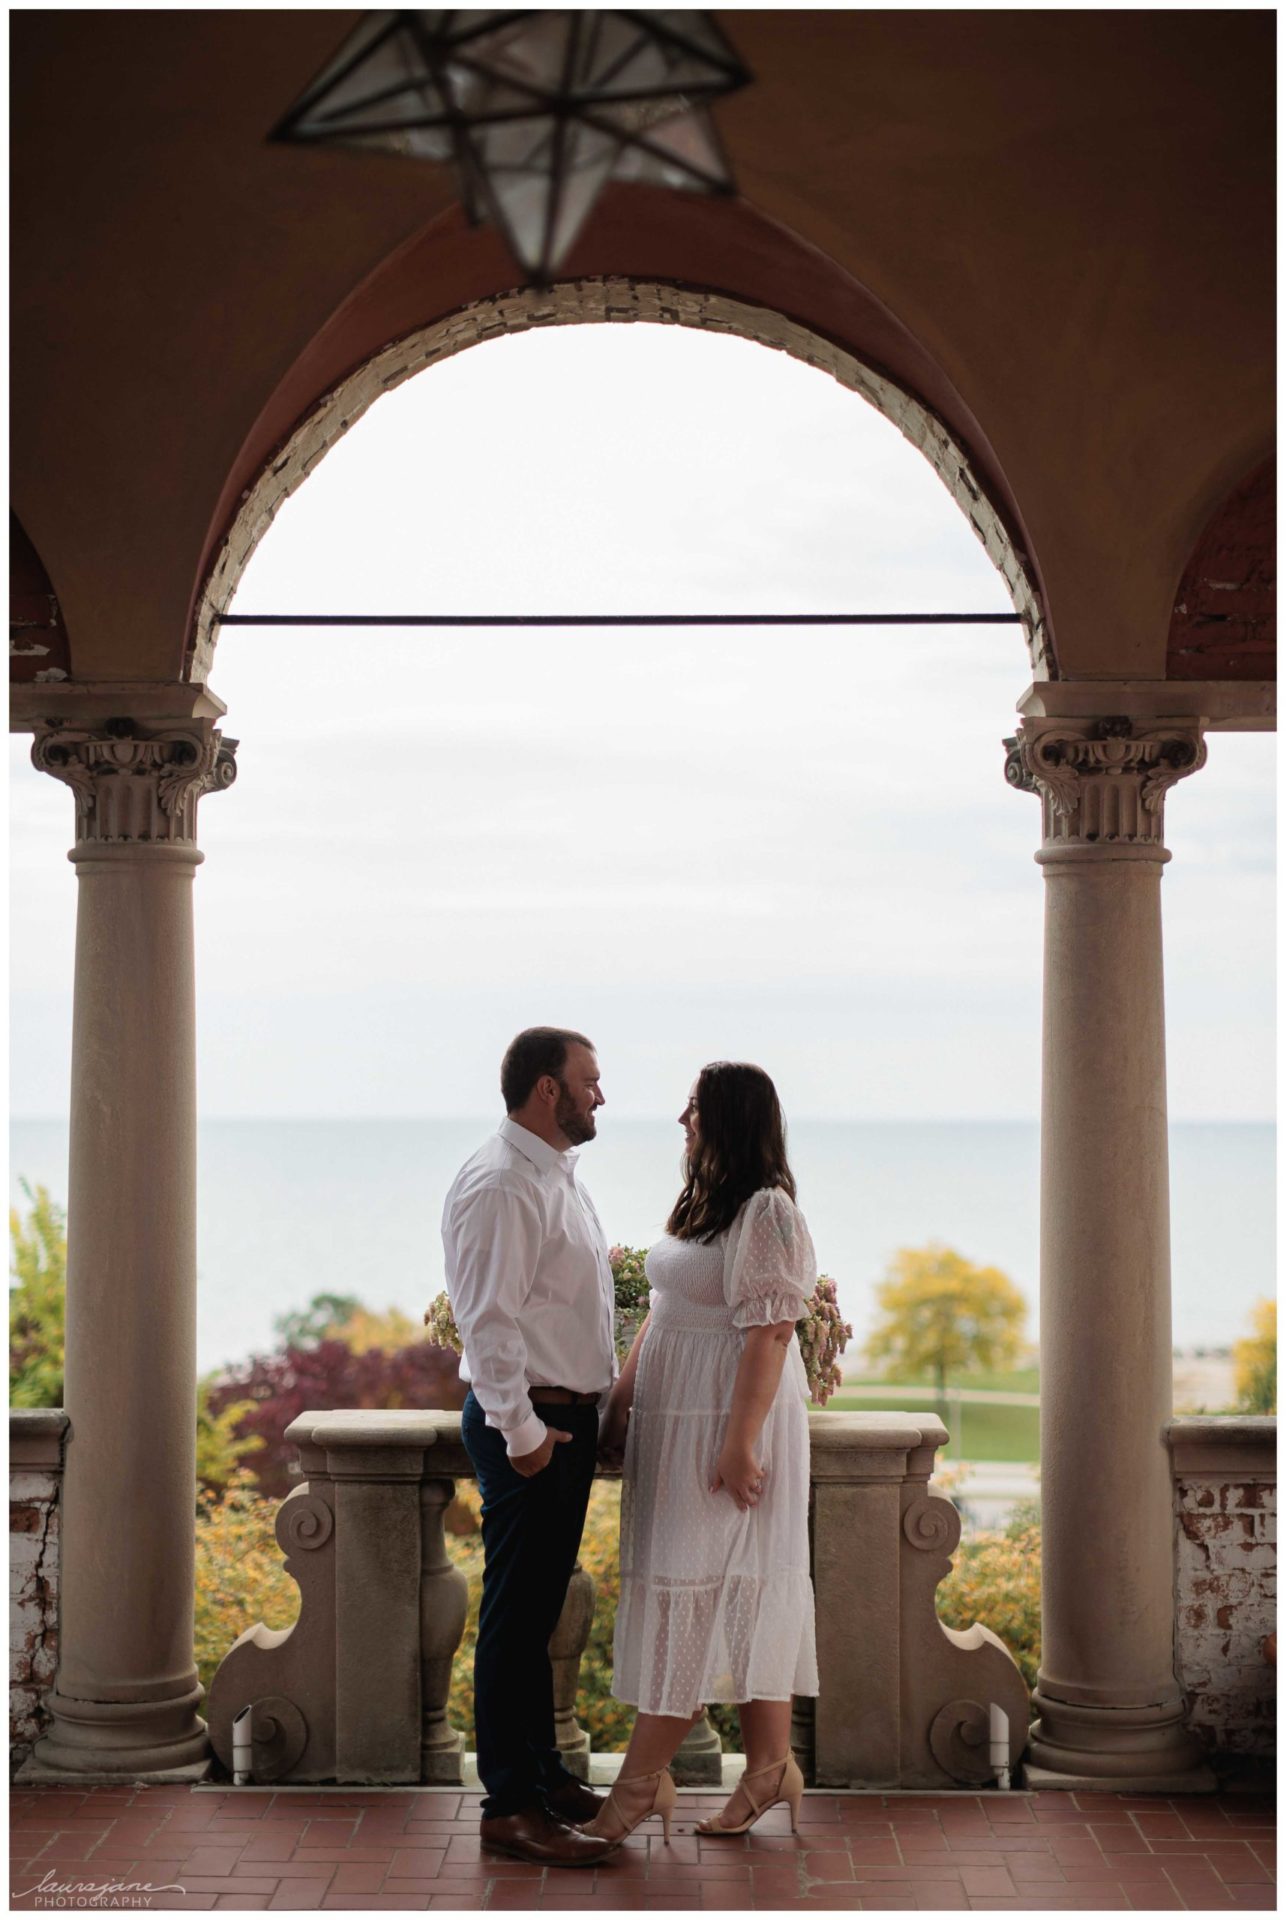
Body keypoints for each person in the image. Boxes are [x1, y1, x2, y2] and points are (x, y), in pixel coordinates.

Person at [584, 1060, 819, 1846]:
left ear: (727, 1120)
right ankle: (768, 1768)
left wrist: (739, 1443)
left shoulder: (767, 1210)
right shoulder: (704, 1206)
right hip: (675, 1419)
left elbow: (773, 1331)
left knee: (702, 1589)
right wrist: (622, 1400)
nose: (682, 1123)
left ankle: (640, 1785)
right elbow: (663, 1311)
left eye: (693, 1111)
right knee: (732, 1590)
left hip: (725, 1426)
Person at [441, 1026, 618, 1868]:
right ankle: (509, 1805)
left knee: (540, 1614)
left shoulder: (553, 1176)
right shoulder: (505, 1183)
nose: (600, 1094)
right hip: (532, 1427)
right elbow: (488, 1318)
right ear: (547, 1089)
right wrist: (523, 1435)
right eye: (589, 1080)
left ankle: (544, 1777)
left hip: (563, 1421)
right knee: (514, 1624)